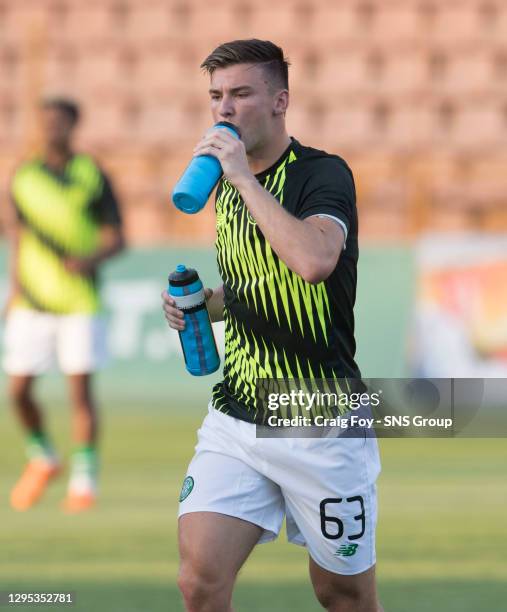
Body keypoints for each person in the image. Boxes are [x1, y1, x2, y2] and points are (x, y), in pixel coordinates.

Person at [163, 40, 383, 612]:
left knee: (343, 596)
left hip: (319, 419)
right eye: (215, 97)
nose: (224, 110)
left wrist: (242, 180)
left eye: (240, 94)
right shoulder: (226, 188)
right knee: (199, 582)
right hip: (236, 414)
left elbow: (312, 262)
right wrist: (202, 304)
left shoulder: (321, 173)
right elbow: (253, 285)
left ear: (281, 100)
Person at [4, 97, 124, 513]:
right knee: (18, 391)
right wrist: (15, 288)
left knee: (80, 393)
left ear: (73, 124)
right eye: (45, 121)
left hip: (78, 301)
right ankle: (43, 457)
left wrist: (88, 261)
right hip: (32, 301)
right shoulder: (24, 176)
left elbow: (117, 238)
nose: (50, 128)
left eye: (59, 121)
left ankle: (83, 479)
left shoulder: (91, 175)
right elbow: (18, 236)